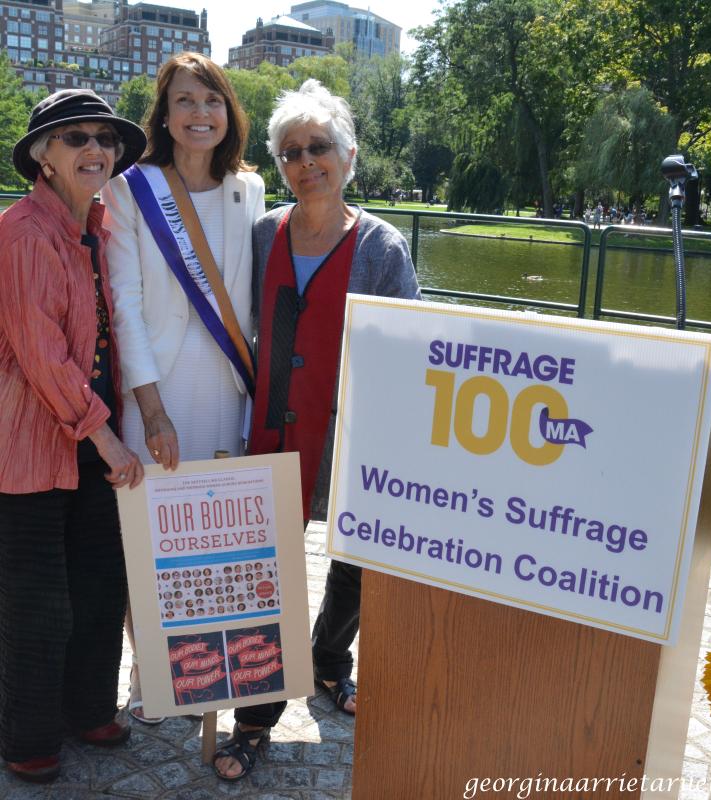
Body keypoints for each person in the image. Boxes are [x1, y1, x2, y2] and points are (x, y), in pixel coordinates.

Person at [212, 79, 420, 781]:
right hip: (271, 428)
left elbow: (413, 348)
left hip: (354, 435)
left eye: (319, 147)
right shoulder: (264, 231)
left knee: (356, 562)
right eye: (291, 152)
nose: (306, 162)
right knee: (265, 572)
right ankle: (254, 718)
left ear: (348, 154)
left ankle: (330, 661)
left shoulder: (382, 247)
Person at [102, 52, 265, 724]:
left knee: (211, 538)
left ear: (230, 114)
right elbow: (126, 304)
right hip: (155, 391)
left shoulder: (249, 190)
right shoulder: (128, 187)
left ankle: (202, 671)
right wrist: (152, 408)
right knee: (149, 536)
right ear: (164, 117)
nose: (202, 114)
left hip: (224, 385)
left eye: (213, 101)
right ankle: (148, 672)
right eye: (187, 102)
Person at [0, 89, 147, 783]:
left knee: (100, 582)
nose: (96, 148)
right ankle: (27, 734)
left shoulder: (103, 226)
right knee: (37, 602)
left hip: (91, 438)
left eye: (106, 138)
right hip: (33, 445)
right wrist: (108, 438)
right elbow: (41, 353)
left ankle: (86, 705)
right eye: (76, 138)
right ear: (43, 159)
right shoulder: (23, 233)